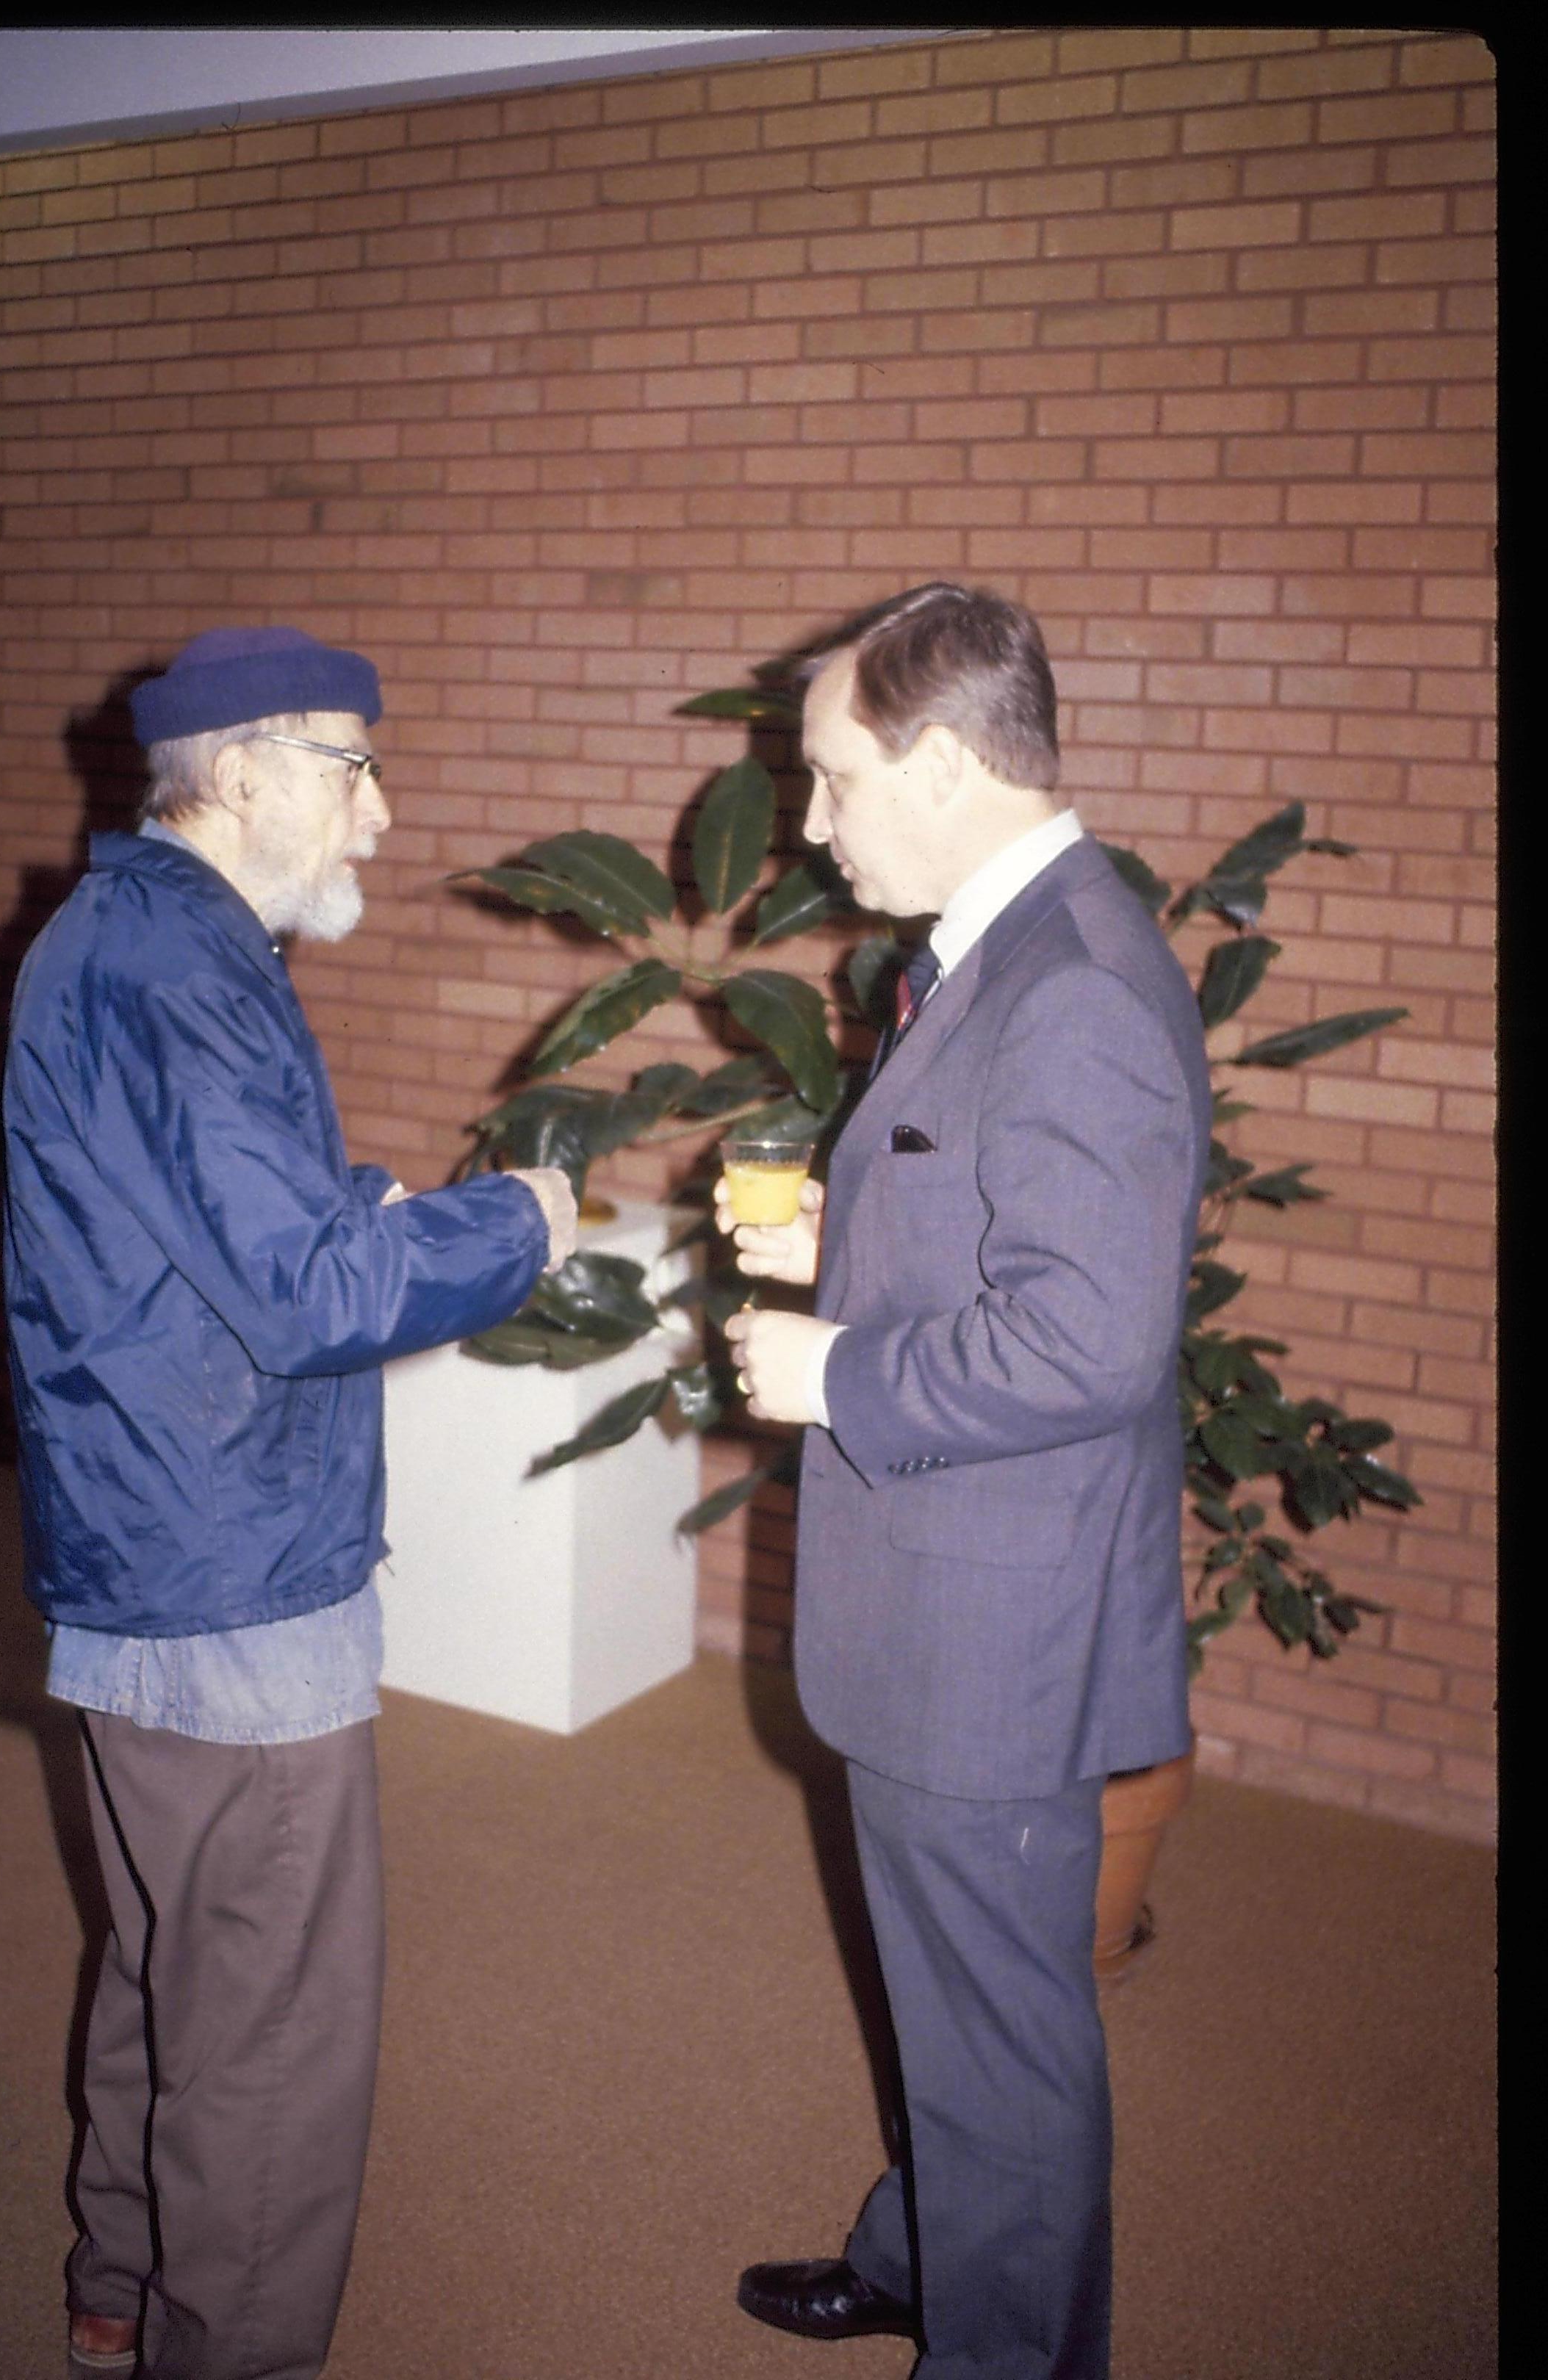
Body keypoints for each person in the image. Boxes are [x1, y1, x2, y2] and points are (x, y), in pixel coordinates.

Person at [1, 626, 578, 2380]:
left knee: (175, 1959)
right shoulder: (181, 969)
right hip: (230, 1574)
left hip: (147, 1542)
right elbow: (312, 1300)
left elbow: (203, 1233)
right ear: (240, 773)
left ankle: (117, 2286)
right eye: (355, 766)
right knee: (269, 2036)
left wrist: (347, 1209)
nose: (383, 816)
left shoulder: (143, 938)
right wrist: (519, 1224)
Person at [721, 583, 1210, 2380]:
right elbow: (1014, 1225)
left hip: (990, 1631)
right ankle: (925, 2254)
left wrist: (832, 1364)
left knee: (1003, 2044)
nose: (815, 820)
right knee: (958, 1996)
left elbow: (1090, 1342)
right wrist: (855, 1228)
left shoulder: (1071, 984)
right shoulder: (1011, 942)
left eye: (838, 780)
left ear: (936, 761)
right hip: (959, 1593)